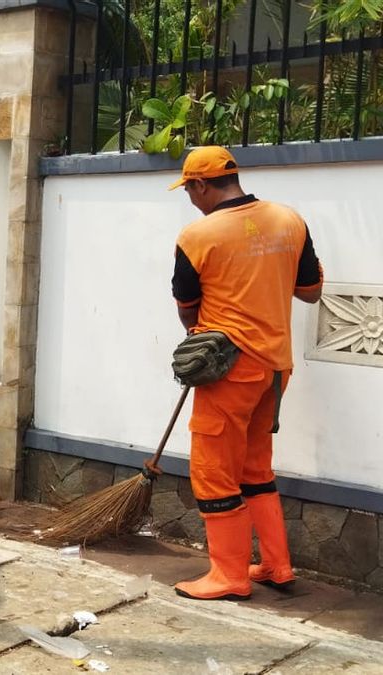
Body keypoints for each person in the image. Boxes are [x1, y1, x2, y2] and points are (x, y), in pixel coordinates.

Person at [168, 146, 323, 601]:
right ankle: (276, 565)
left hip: (228, 370)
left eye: (189, 190)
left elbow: (187, 309)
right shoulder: (289, 220)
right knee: (255, 466)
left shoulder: (197, 236)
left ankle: (229, 575)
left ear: (200, 184)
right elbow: (311, 292)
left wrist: (201, 340)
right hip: (276, 367)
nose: (190, 199)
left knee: (214, 469)